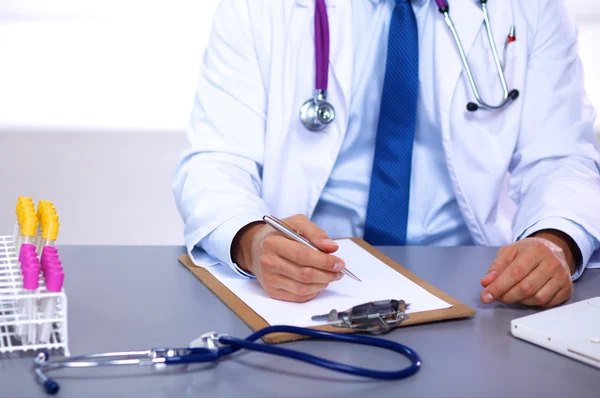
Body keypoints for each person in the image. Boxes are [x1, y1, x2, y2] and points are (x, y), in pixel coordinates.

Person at [173, 0, 600, 307]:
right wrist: (253, 240)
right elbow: (215, 160)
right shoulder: (259, 8)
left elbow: (561, 158)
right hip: (309, 288)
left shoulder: (534, 8)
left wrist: (555, 241)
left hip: (476, 285)